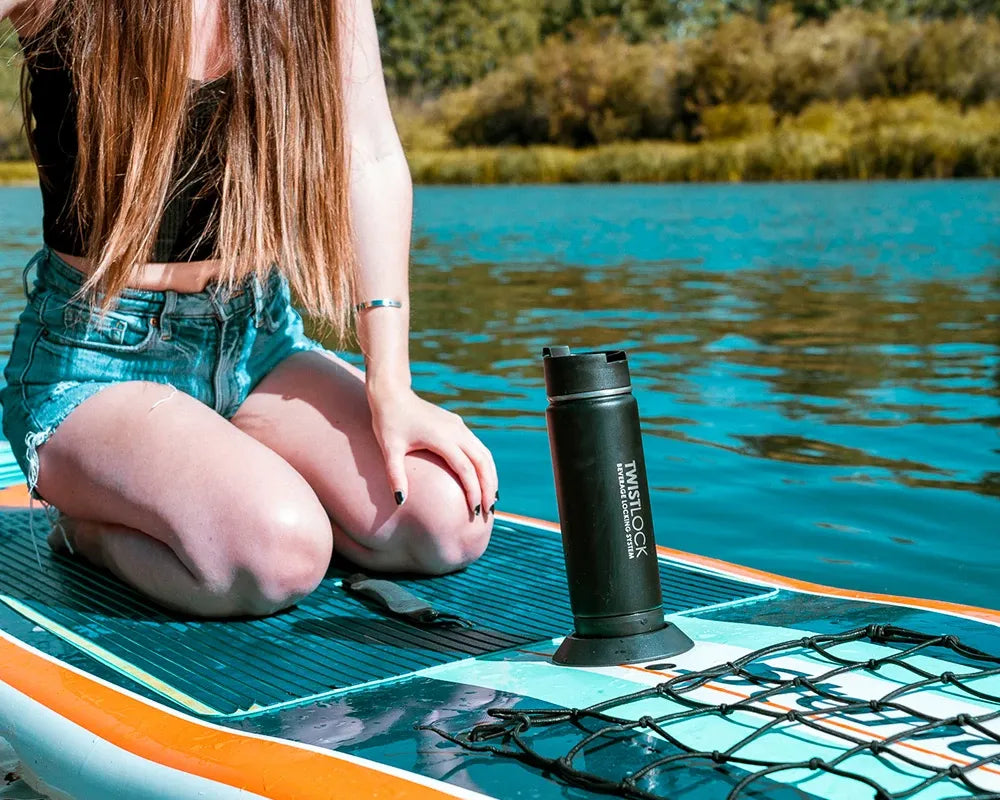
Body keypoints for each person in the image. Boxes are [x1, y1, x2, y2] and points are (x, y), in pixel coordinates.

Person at [0, 0, 498, 617]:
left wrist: (391, 388)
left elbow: (369, 156)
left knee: (448, 520)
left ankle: (224, 471)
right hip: (95, 360)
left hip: (257, 339)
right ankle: (84, 529)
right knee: (278, 556)